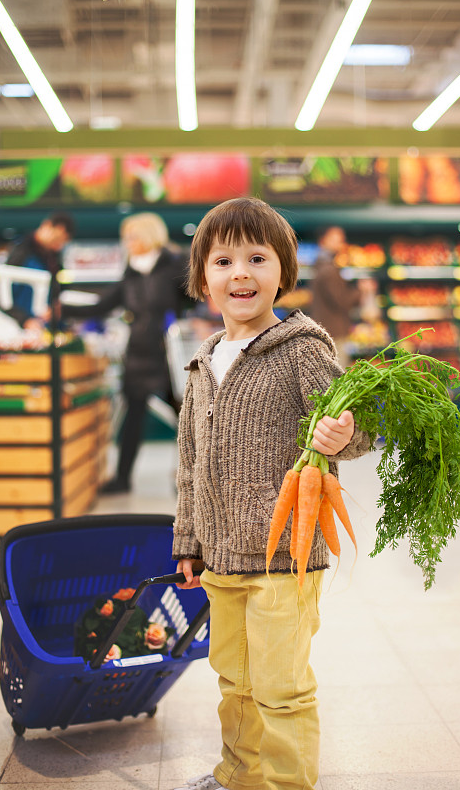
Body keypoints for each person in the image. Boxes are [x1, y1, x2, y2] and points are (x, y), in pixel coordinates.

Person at [172, 197, 370, 790]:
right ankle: (238, 775)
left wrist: (346, 433)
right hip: (222, 558)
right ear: (202, 277)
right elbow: (189, 466)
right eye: (223, 260)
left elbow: (356, 429)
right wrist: (189, 540)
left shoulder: (304, 350)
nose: (240, 273)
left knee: (281, 688)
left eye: (257, 259)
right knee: (235, 681)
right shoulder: (203, 363)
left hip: (287, 555)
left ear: (282, 272)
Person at [62, 212, 189, 494]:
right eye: (126, 237)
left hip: (168, 354)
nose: (127, 242)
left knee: (186, 416)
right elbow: (101, 306)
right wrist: (60, 308)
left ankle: (188, 478)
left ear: (148, 235)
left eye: (132, 236)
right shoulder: (130, 273)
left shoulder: (175, 265)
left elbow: (197, 295)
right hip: (138, 353)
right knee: (133, 417)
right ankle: (122, 480)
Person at [308, 225, 377, 367]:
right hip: (334, 331)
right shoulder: (328, 270)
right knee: (338, 375)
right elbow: (342, 300)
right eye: (335, 238)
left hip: (326, 329)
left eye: (341, 238)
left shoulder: (322, 265)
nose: (341, 242)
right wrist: (361, 290)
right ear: (323, 241)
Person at [0, 212, 75, 329]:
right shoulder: (20, 252)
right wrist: (24, 320)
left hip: (43, 327)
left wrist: (53, 308)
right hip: (15, 329)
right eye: (56, 239)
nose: (58, 246)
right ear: (47, 226)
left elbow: (58, 288)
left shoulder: (54, 257)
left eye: (62, 242)